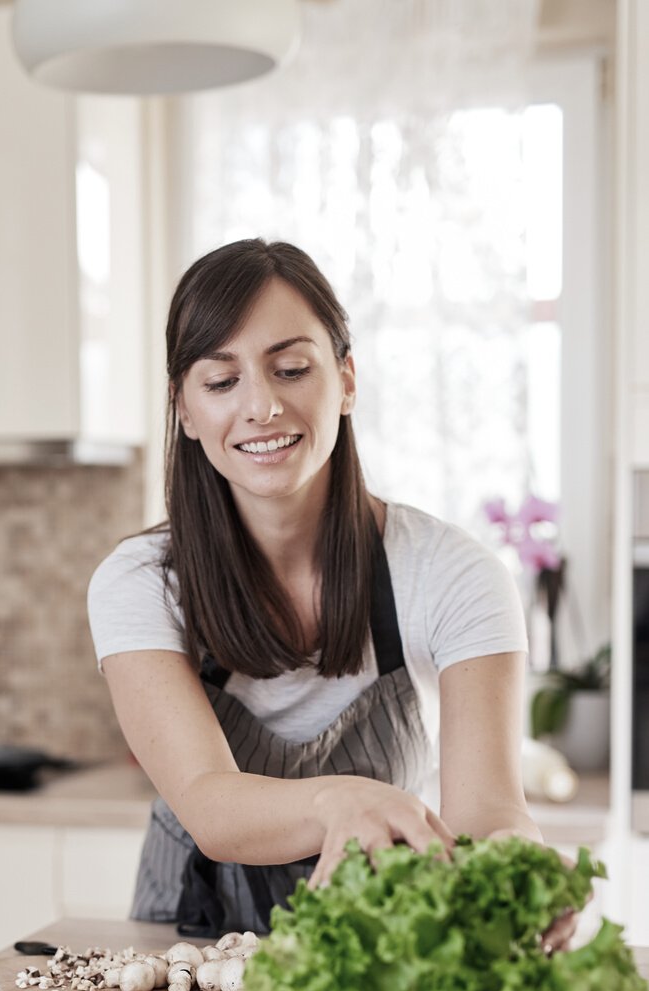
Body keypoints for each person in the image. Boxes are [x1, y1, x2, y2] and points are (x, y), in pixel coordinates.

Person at [88, 237, 558, 941]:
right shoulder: (141, 583)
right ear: (184, 411)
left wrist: (522, 867)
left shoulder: (455, 575)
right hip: (187, 951)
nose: (262, 406)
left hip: (379, 943)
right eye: (221, 383)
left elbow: (489, 815)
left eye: (291, 369)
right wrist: (344, 800)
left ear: (346, 379)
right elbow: (211, 808)